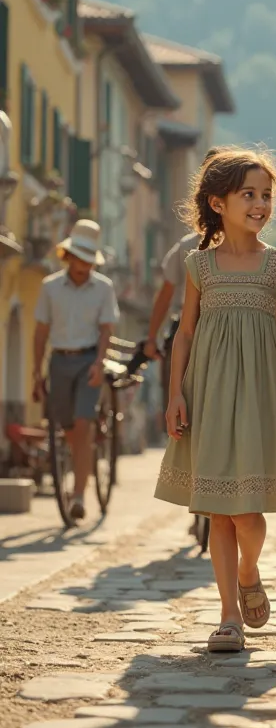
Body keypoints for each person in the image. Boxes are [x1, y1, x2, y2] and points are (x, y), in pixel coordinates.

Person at [154, 148, 276, 653]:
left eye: (266, 196)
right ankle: (229, 615)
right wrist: (175, 397)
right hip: (208, 395)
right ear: (217, 203)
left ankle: (249, 571)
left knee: (248, 514)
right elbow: (184, 335)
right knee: (217, 510)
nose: (259, 204)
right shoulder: (199, 265)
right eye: (247, 195)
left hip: (259, 398)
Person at [33, 220, 119, 521]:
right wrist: (35, 371)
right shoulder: (50, 287)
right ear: (68, 256)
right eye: (78, 257)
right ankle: (76, 478)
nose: (83, 264)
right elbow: (41, 331)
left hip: (89, 361)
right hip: (58, 361)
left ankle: (80, 494)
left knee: (82, 426)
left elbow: (107, 329)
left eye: (88, 258)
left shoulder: (104, 289)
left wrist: (99, 363)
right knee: (67, 428)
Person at [144, 147, 223, 409]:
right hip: (196, 327)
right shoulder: (188, 246)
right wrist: (152, 336)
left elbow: (165, 295)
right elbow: (165, 295)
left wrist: (152, 337)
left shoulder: (188, 245)